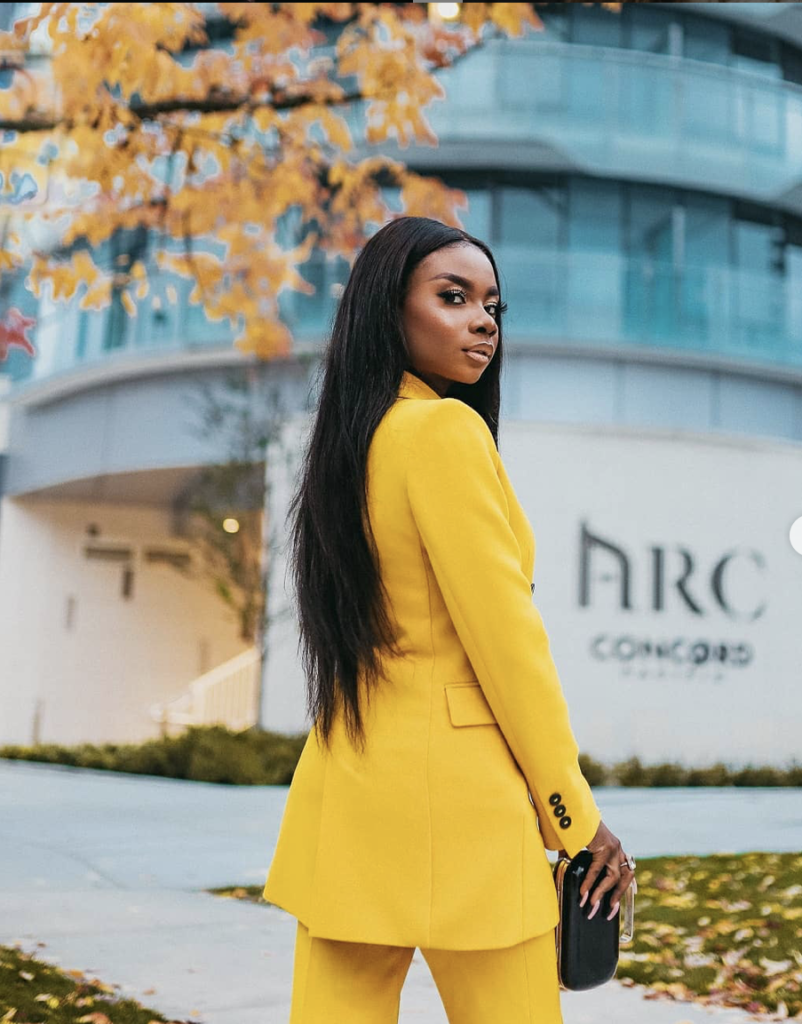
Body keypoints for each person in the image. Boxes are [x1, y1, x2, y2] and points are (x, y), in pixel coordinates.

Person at [263, 216, 635, 1023]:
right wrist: (575, 817)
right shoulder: (445, 433)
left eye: (493, 306)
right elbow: (509, 648)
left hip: (351, 791)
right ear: (387, 311)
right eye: (453, 297)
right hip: (463, 810)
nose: (481, 322)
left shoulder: (349, 447)